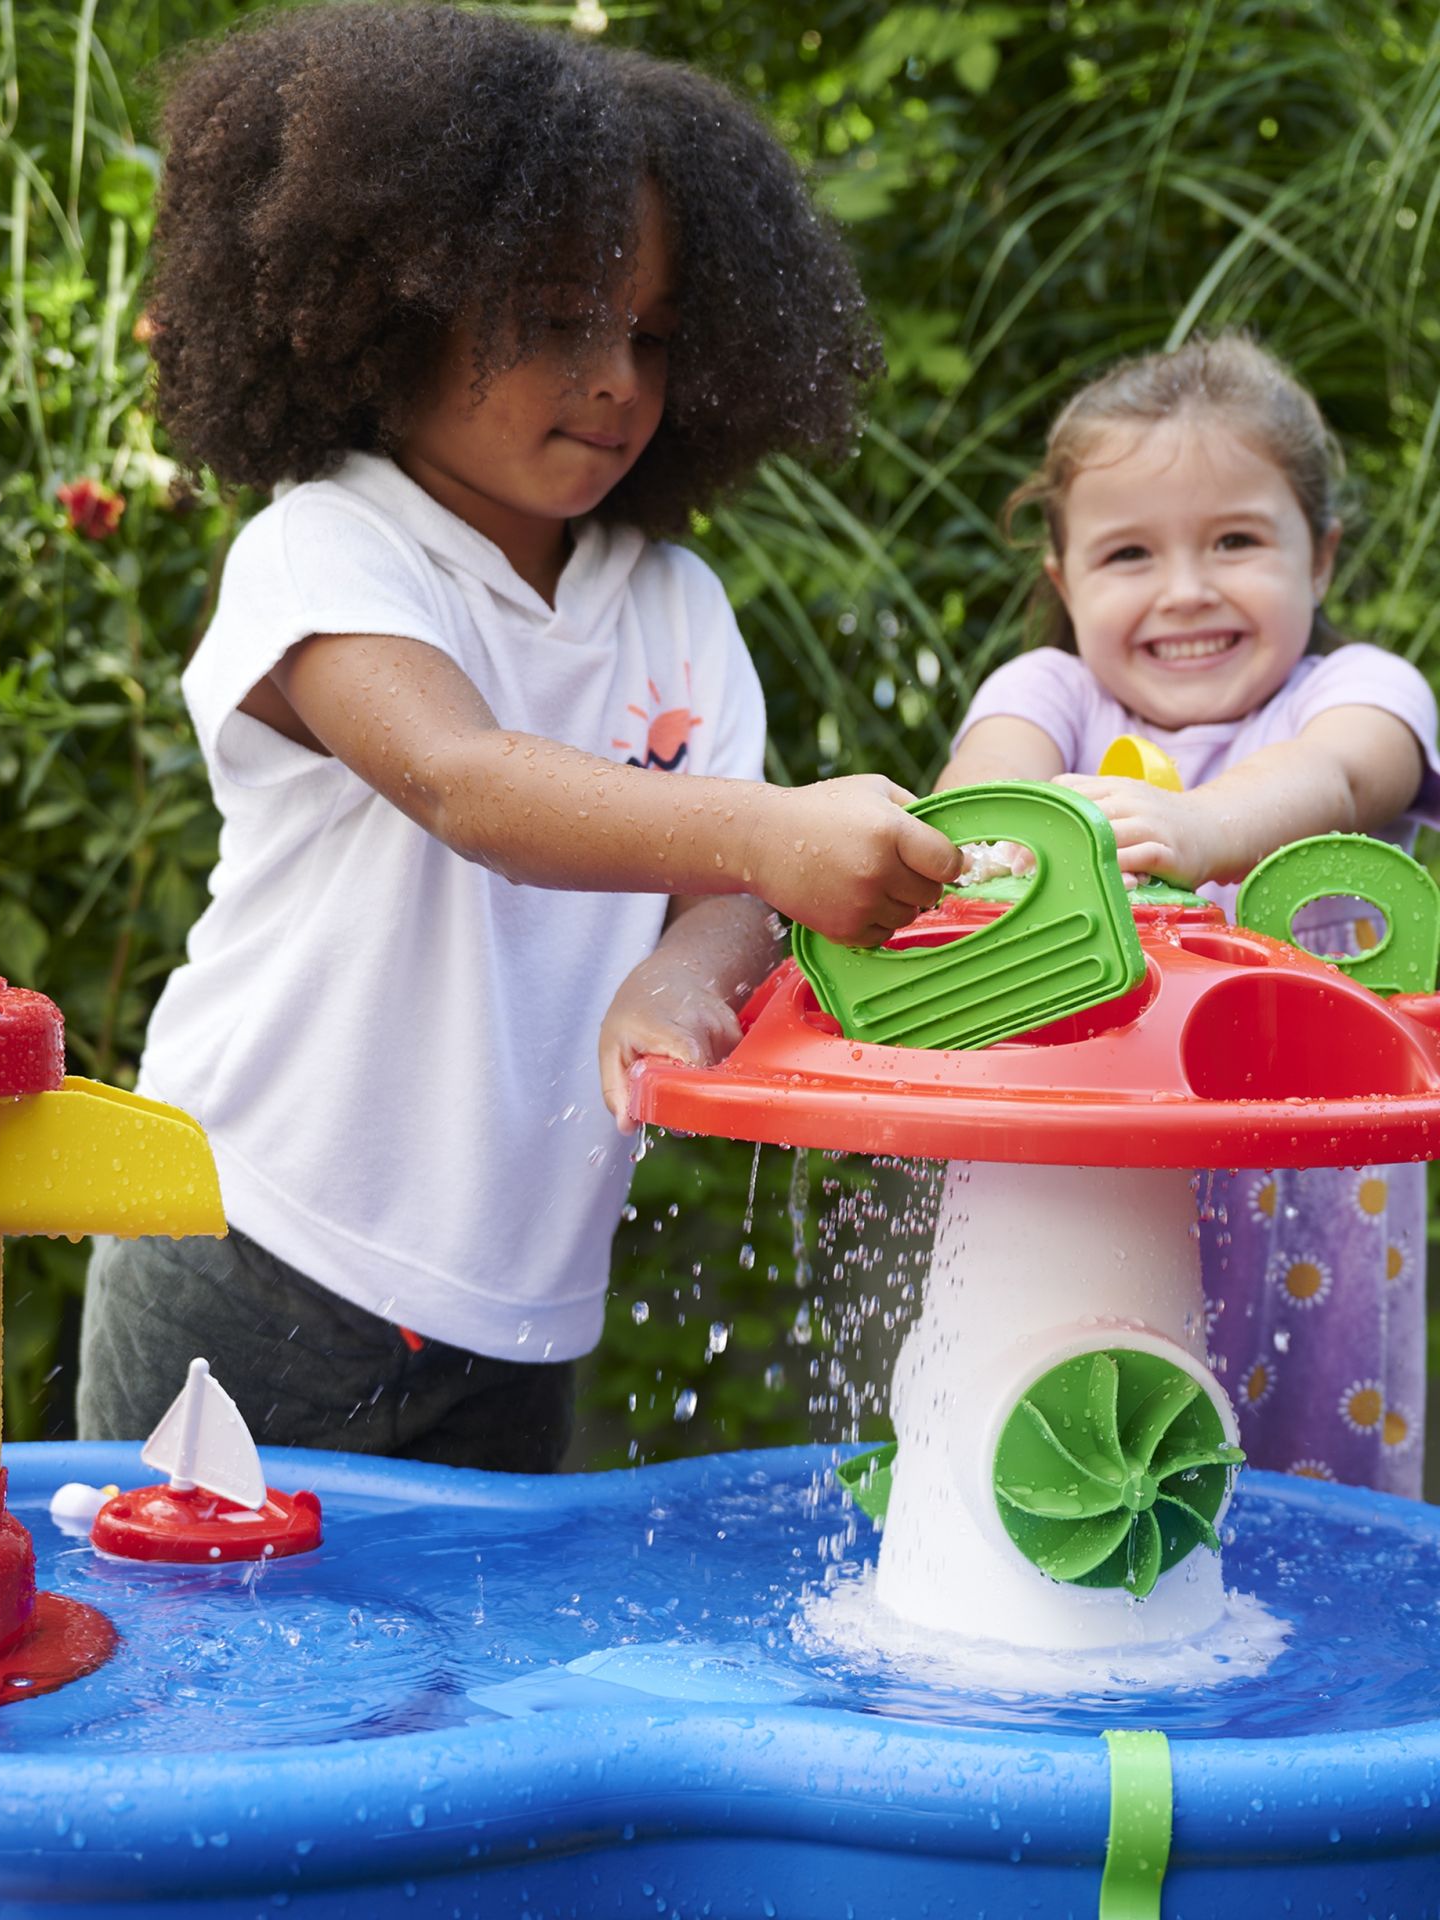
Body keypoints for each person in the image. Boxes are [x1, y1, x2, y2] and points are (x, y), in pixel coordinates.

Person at [76, 3, 961, 1470]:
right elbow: (463, 780)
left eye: (653, 336)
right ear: (393, 306)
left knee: (470, 1636)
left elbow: (726, 896)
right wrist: (773, 830)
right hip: (249, 1237)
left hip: (521, 1305)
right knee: (190, 1619)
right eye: (555, 321)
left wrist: (683, 978)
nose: (616, 377)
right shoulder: (330, 547)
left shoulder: (673, 604)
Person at [941, 331, 1440, 1495]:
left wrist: (1205, 827)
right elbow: (978, 802)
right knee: (1063, 1438)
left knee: (1311, 1482)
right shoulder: (1050, 696)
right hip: (1081, 1167)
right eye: (1129, 553)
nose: (1186, 590)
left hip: (1308, 1200)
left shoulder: (1356, 692)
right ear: (1064, 582)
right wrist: (1001, 838)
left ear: (1319, 557)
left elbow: (1340, 776)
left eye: (1235, 541)